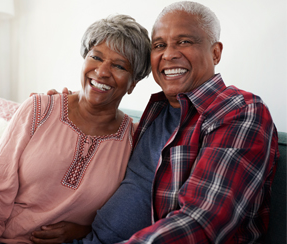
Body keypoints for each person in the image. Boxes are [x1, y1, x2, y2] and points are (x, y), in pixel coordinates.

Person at [32, 1, 279, 243]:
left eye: (184, 41)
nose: (169, 54)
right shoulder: (155, 114)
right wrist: (65, 108)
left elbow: (199, 224)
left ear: (215, 52)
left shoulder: (238, 112)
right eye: (159, 45)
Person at [0, 14, 152, 244]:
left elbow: (124, 215)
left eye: (119, 66)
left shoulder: (135, 140)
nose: (102, 71)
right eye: (96, 56)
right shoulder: (39, 108)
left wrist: (83, 229)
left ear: (133, 82)